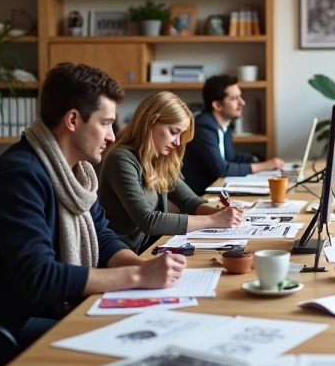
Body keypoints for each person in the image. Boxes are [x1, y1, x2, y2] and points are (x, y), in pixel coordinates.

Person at [0, 63, 186, 349]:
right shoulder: (21, 176)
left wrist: (142, 265)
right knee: (127, 340)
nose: (112, 136)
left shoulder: (75, 174)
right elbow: (39, 277)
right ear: (73, 120)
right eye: (105, 123)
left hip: (25, 312)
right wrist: (138, 276)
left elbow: (102, 236)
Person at [98, 91, 244, 254]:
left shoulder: (160, 158)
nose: (178, 142)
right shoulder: (120, 158)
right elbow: (149, 221)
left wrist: (219, 213)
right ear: (150, 122)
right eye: (174, 132)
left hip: (148, 250)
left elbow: (189, 201)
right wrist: (213, 220)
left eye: (181, 135)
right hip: (120, 257)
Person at [182, 74, 284, 195]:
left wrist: (257, 159)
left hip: (218, 191)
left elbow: (231, 157)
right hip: (200, 196)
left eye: (240, 97)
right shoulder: (203, 126)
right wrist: (265, 165)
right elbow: (222, 169)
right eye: (234, 98)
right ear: (217, 105)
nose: (242, 102)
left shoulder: (225, 125)